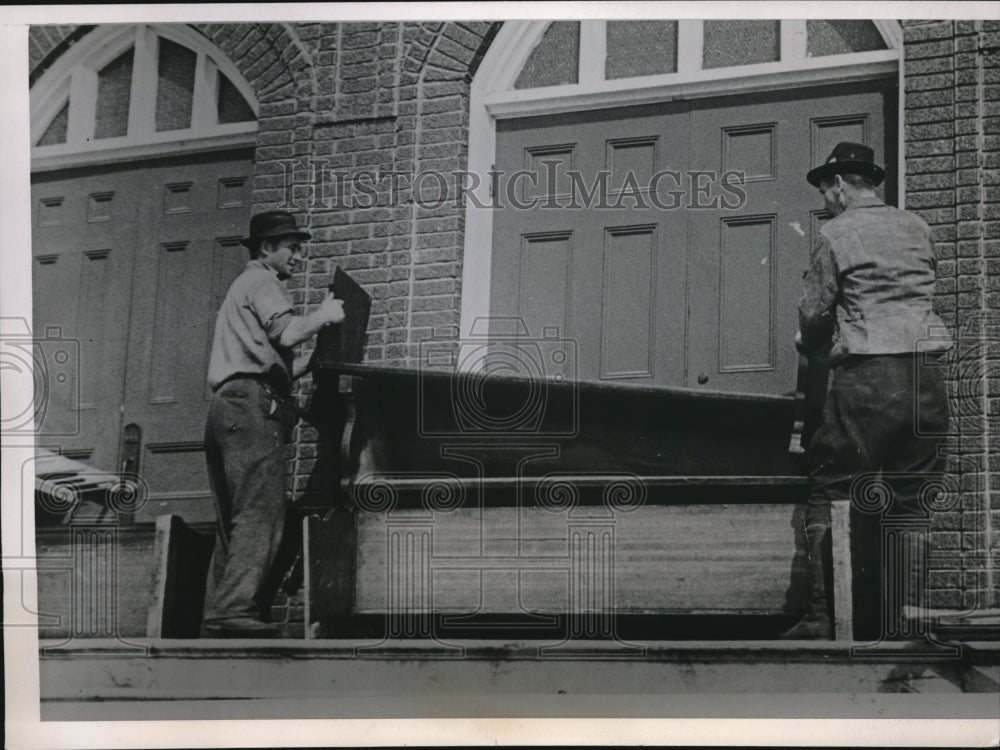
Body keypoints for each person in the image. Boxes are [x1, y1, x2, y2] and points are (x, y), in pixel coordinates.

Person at [783, 142, 953, 640]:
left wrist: (810, 341)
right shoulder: (917, 226)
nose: (827, 202)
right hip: (925, 378)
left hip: (868, 376)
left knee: (832, 487)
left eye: (826, 192)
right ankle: (905, 623)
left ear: (839, 185)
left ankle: (821, 615)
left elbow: (816, 312)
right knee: (912, 499)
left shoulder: (836, 233)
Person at [201, 210, 344, 638]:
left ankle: (217, 619)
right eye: (292, 248)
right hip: (251, 407)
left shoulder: (241, 288)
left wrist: (315, 355)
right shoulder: (263, 281)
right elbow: (286, 333)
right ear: (267, 249)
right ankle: (232, 611)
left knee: (236, 518)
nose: (299, 257)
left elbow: (280, 362)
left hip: (229, 407)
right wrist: (325, 314)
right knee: (261, 510)